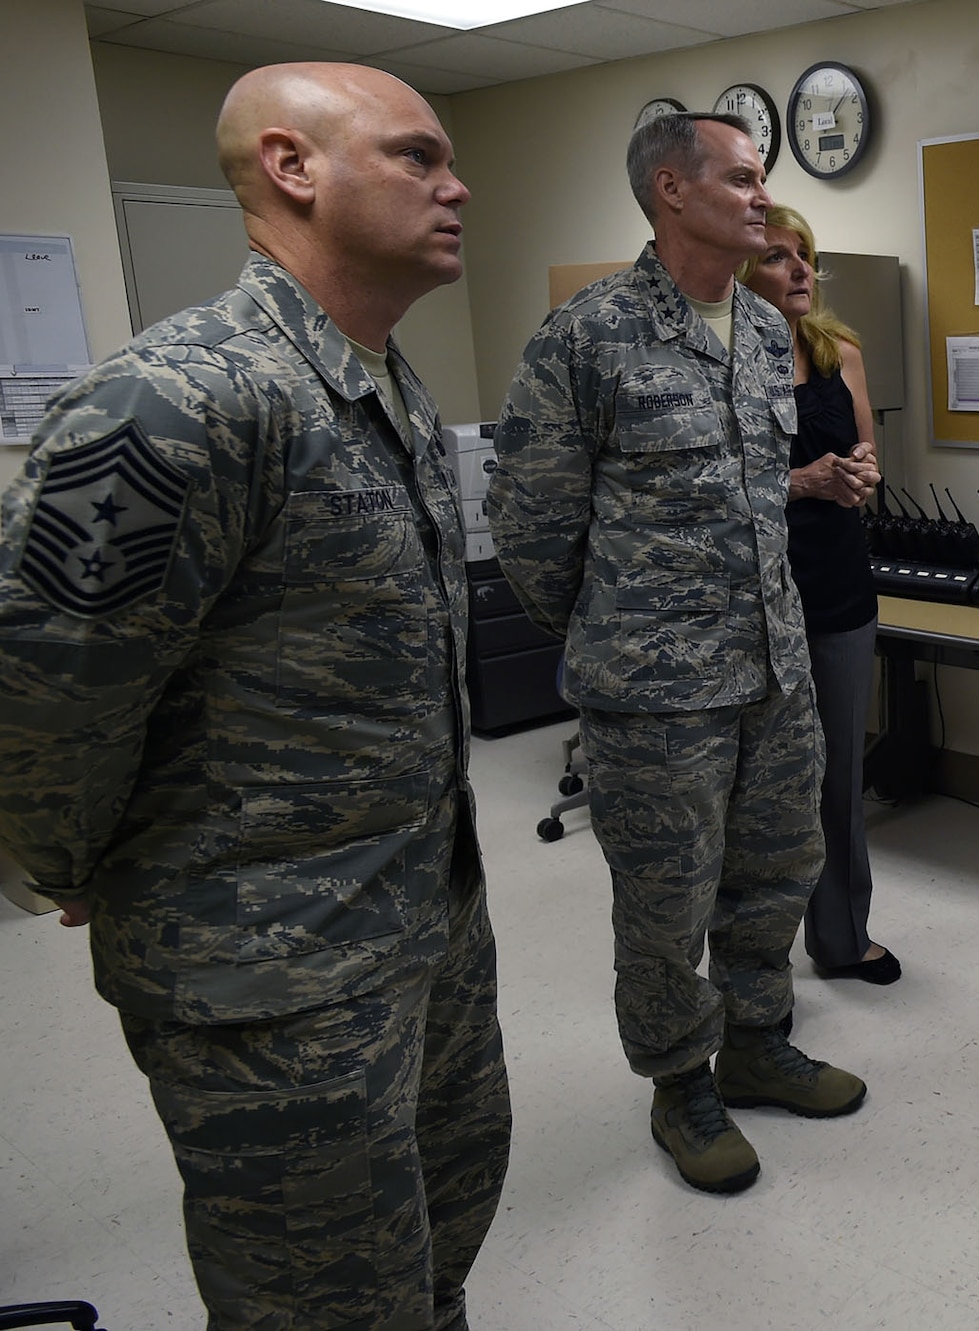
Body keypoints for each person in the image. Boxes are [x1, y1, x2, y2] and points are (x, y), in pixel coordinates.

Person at [0, 63, 510, 1327]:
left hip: (419, 912)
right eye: (416, 155)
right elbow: (43, 688)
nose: (457, 185)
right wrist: (67, 859)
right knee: (320, 1298)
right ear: (292, 167)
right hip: (264, 973)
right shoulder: (175, 401)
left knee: (437, 1232)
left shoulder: (383, 381)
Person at [488, 113, 866, 1197]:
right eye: (742, 179)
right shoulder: (587, 336)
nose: (762, 199)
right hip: (654, 690)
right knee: (664, 899)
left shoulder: (758, 330)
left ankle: (754, 1039)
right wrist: (619, 635)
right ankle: (678, 1082)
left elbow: (759, 499)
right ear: (671, 188)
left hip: (772, 668)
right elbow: (529, 525)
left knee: (774, 871)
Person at [738, 204, 900, 986]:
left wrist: (859, 475)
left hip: (838, 586)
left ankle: (841, 937)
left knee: (838, 774)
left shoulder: (839, 351)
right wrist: (801, 480)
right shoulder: (720, 357)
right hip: (755, 593)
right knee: (765, 784)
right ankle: (755, 968)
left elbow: (867, 457)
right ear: (741, 271)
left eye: (804, 254)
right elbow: (705, 487)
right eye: (776, 257)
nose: (800, 270)